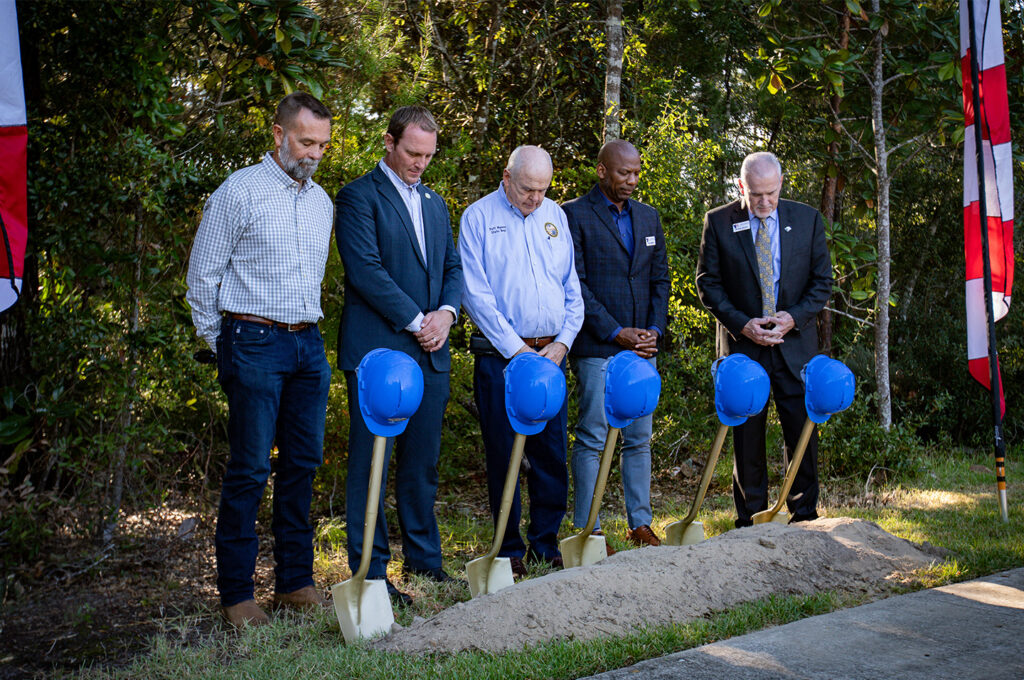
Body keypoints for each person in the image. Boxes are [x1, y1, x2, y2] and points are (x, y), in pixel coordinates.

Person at [185, 92, 334, 627]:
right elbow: (202, 278)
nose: (314, 154)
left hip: (307, 345)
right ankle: (237, 595)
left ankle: (294, 583)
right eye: (306, 142)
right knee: (250, 469)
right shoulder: (239, 191)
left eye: (323, 145)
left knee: (302, 465)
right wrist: (222, 344)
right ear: (278, 134)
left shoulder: (322, 203)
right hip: (252, 340)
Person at [334, 106, 463, 604]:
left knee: (421, 464)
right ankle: (371, 574)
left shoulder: (435, 203)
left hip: (431, 353)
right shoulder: (358, 196)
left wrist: (446, 315)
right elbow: (365, 270)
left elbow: (452, 267)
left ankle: (425, 563)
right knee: (372, 466)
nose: (420, 164)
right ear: (389, 143)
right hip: (378, 353)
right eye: (412, 153)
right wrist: (417, 321)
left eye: (428, 155)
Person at [459, 145, 584, 574]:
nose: (536, 198)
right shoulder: (478, 218)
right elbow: (475, 295)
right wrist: (518, 351)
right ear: (507, 177)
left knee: (551, 454)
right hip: (503, 358)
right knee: (504, 455)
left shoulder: (555, 216)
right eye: (529, 188)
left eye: (544, 189)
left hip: (551, 356)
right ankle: (508, 549)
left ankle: (545, 544)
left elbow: (571, 287)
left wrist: (563, 343)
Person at [695, 151, 832, 527]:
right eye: (756, 194)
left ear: (781, 184)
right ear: (742, 186)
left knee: (801, 434)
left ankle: (804, 516)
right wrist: (742, 325)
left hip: (794, 346)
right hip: (744, 348)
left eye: (771, 193)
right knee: (747, 438)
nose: (765, 202)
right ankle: (751, 520)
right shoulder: (719, 221)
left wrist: (793, 318)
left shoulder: (806, 219)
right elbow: (708, 284)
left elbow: (822, 282)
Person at [562, 139, 669, 548]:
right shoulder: (573, 214)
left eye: (637, 172)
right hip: (598, 346)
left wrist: (653, 330)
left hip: (642, 349)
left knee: (639, 438)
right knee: (592, 435)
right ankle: (589, 530)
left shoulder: (648, 216)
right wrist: (615, 331)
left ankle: (640, 524)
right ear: (602, 170)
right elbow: (575, 284)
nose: (632, 180)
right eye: (625, 172)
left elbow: (660, 279)